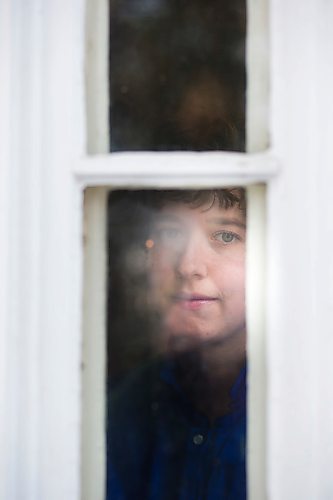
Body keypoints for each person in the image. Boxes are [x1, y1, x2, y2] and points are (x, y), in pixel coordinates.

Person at [107, 188, 247, 500]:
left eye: (225, 236)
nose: (188, 266)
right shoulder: (124, 408)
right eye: (170, 234)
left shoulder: (304, 405)